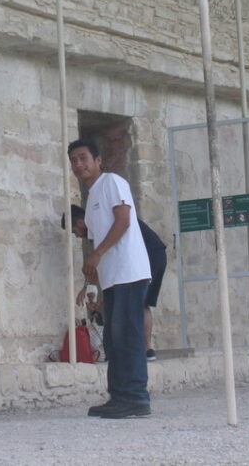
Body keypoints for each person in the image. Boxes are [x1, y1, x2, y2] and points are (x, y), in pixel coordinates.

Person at [67, 139, 151, 419]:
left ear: (98, 160)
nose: (79, 165)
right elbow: (95, 246)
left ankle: (136, 397)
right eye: (74, 161)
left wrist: (98, 253)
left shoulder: (112, 182)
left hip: (129, 271)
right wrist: (92, 285)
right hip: (113, 278)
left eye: (83, 158)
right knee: (113, 339)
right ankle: (119, 396)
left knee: (128, 336)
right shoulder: (91, 200)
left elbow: (123, 220)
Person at [70, 204, 167, 361]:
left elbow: (97, 260)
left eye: (75, 232)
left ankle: (144, 350)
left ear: (80, 223)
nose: (76, 236)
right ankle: (143, 350)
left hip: (149, 254)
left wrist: (87, 288)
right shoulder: (101, 222)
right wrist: (94, 290)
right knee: (139, 302)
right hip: (154, 253)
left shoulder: (99, 224)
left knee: (140, 302)